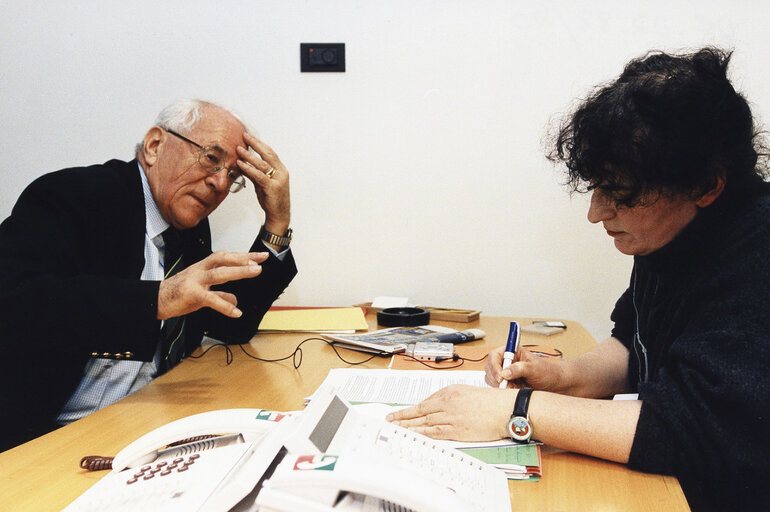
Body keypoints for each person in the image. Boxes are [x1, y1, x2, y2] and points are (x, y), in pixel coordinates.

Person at [388, 47, 770, 511]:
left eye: (620, 194)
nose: (596, 214)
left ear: (706, 186)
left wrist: (517, 411)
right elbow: (635, 344)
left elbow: (692, 431)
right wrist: (562, 377)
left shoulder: (755, 257)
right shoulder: (673, 230)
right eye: (598, 187)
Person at [0, 99, 297, 450]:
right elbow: (17, 304)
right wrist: (160, 299)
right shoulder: (72, 195)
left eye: (233, 175)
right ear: (155, 145)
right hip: (51, 437)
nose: (220, 183)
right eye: (212, 158)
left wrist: (277, 222)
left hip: (147, 422)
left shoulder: (189, 226)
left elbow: (231, 323)